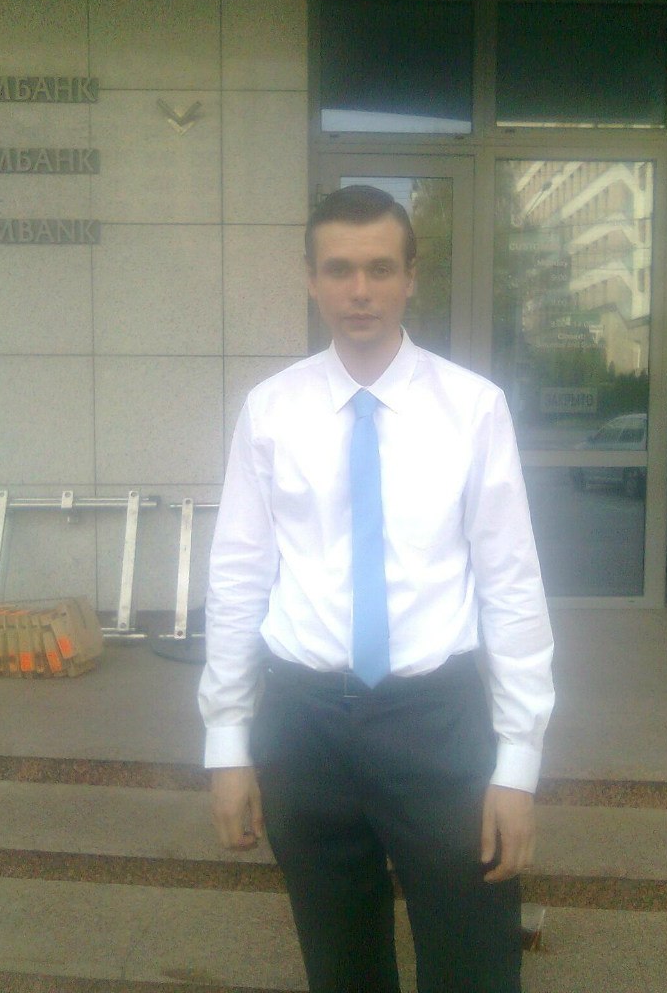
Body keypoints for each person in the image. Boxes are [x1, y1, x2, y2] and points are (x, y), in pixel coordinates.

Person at [199, 185, 554, 993]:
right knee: (341, 967)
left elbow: (511, 584)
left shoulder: (473, 409)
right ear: (311, 279)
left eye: (380, 269)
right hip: (303, 726)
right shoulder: (271, 411)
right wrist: (227, 742)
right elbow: (238, 575)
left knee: (474, 963)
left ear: (410, 278)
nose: (360, 290)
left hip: (437, 724)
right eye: (339, 269)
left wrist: (518, 764)